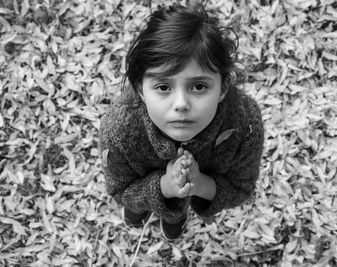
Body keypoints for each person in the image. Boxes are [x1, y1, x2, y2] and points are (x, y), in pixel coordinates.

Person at [99, 4, 264, 241]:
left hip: (197, 192)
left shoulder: (244, 125)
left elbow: (240, 189)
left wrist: (198, 184)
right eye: (163, 87)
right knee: (135, 206)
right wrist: (164, 186)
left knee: (175, 216)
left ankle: (175, 220)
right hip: (139, 191)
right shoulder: (119, 128)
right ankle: (137, 215)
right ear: (141, 91)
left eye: (199, 86)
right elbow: (120, 188)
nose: (181, 104)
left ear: (223, 88)